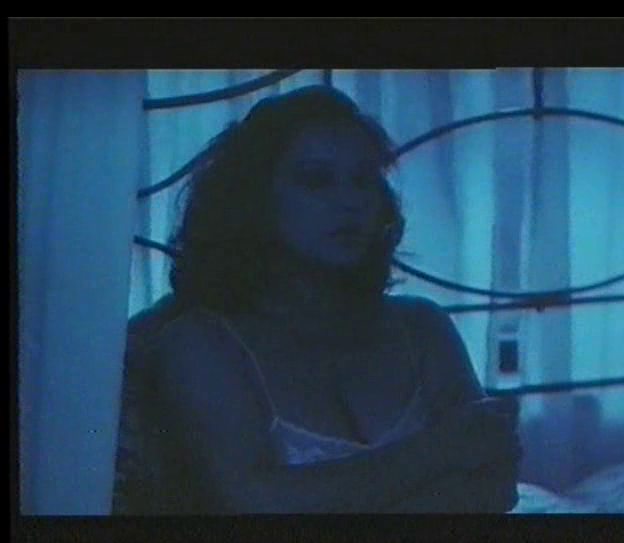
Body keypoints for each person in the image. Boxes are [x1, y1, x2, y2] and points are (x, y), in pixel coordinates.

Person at [113, 85, 521, 514]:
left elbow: (494, 486)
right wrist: (438, 451)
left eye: (363, 180)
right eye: (316, 180)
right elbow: (255, 505)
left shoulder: (422, 328)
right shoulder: (203, 344)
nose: (350, 202)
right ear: (255, 199)